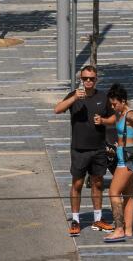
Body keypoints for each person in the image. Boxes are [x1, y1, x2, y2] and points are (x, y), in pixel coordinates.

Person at [54, 64, 114, 234]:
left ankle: (98, 219)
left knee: (98, 182)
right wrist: (73, 98)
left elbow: (113, 118)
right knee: (77, 183)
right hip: (79, 149)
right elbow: (57, 109)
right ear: (81, 79)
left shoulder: (103, 97)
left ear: (96, 80)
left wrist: (103, 121)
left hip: (99, 148)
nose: (88, 81)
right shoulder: (74, 95)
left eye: (91, 79)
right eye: (85, 78)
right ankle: (75, 220)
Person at [93, 83, 133, 242]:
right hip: (123, 156)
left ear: (123, 101)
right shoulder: (120, 113)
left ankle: (119, 229)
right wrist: (103, 120)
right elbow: (114, 120)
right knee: (128, 195)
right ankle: (128, 230)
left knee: (113, 192)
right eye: (111, 104)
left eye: (115, 104)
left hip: (128, 159)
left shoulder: (130, 115)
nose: (113, 106)